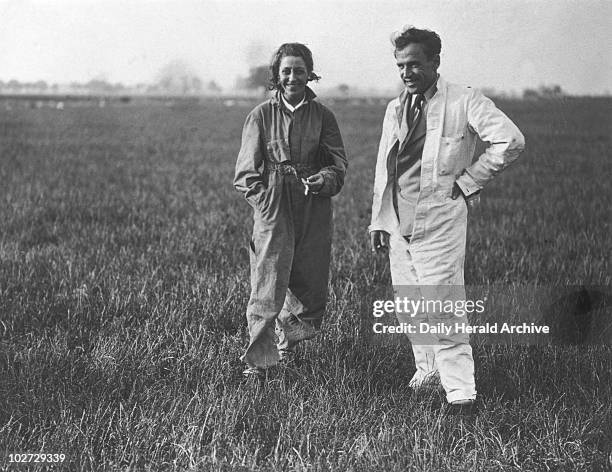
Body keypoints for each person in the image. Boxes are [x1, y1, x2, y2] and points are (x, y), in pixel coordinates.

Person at [369, 26, 525, 411]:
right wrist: (378, 220)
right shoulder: (394, 108)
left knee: (442, 308)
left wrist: (470, 181)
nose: (407, 73)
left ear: (435, 62)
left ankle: (461, 397)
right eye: (401, 65)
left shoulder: (465, 100)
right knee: (410, 308)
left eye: (415, 64)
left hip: (440, 219)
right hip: (398, 222)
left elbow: (510, 140)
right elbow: (383, 170)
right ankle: (427, 376)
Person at [234, 43, 348, 377]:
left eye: (299, 70)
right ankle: (259, 362)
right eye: (286, 71)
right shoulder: (260, 115)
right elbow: (244, 174)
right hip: (274, 206)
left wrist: (322, 180)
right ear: (277, 76)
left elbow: (338, 164)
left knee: (310, 286)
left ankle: (285, 342)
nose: (293, 77)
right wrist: (266, 202)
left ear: (309, 73)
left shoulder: (323, 116)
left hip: (313, 206)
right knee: (267, 284)